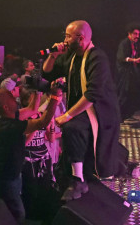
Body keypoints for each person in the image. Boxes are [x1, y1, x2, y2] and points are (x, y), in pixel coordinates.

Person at [43, 20, 120, 201]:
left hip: (98, 110)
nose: (65, 40)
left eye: (69, 36)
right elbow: (47, 73)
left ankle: (78, 180)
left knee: (72, 128)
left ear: (81, 37)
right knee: (73, 131)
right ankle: (77, 176)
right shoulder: (72, 55)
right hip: (80, 108)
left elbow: (93, 94)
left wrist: (67, 115)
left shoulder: (97, 57)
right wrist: (53, 55)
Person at [0, 84, 62, 223]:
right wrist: (55, 97)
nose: (15, 99)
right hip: (6, 178)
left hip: (12, 174)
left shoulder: (7, 117)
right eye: (11, 98)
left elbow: (32, 109)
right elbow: (42, 122)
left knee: (16, 210)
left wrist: (37, 88)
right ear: (5, 107)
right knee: (17, 214)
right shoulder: (9, 126)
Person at [116, 24, 140, 122]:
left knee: (131, 95)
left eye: (138, 34)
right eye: (135, 34)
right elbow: (121, 57)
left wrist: (137, 61)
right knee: (123, 94)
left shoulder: (134, 44)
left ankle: (127, 115)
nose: (137, 36)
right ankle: (118, 117)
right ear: (129, 34)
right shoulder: (124, 43)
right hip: (124, 73)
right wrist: (134, 60)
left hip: (131, 73)